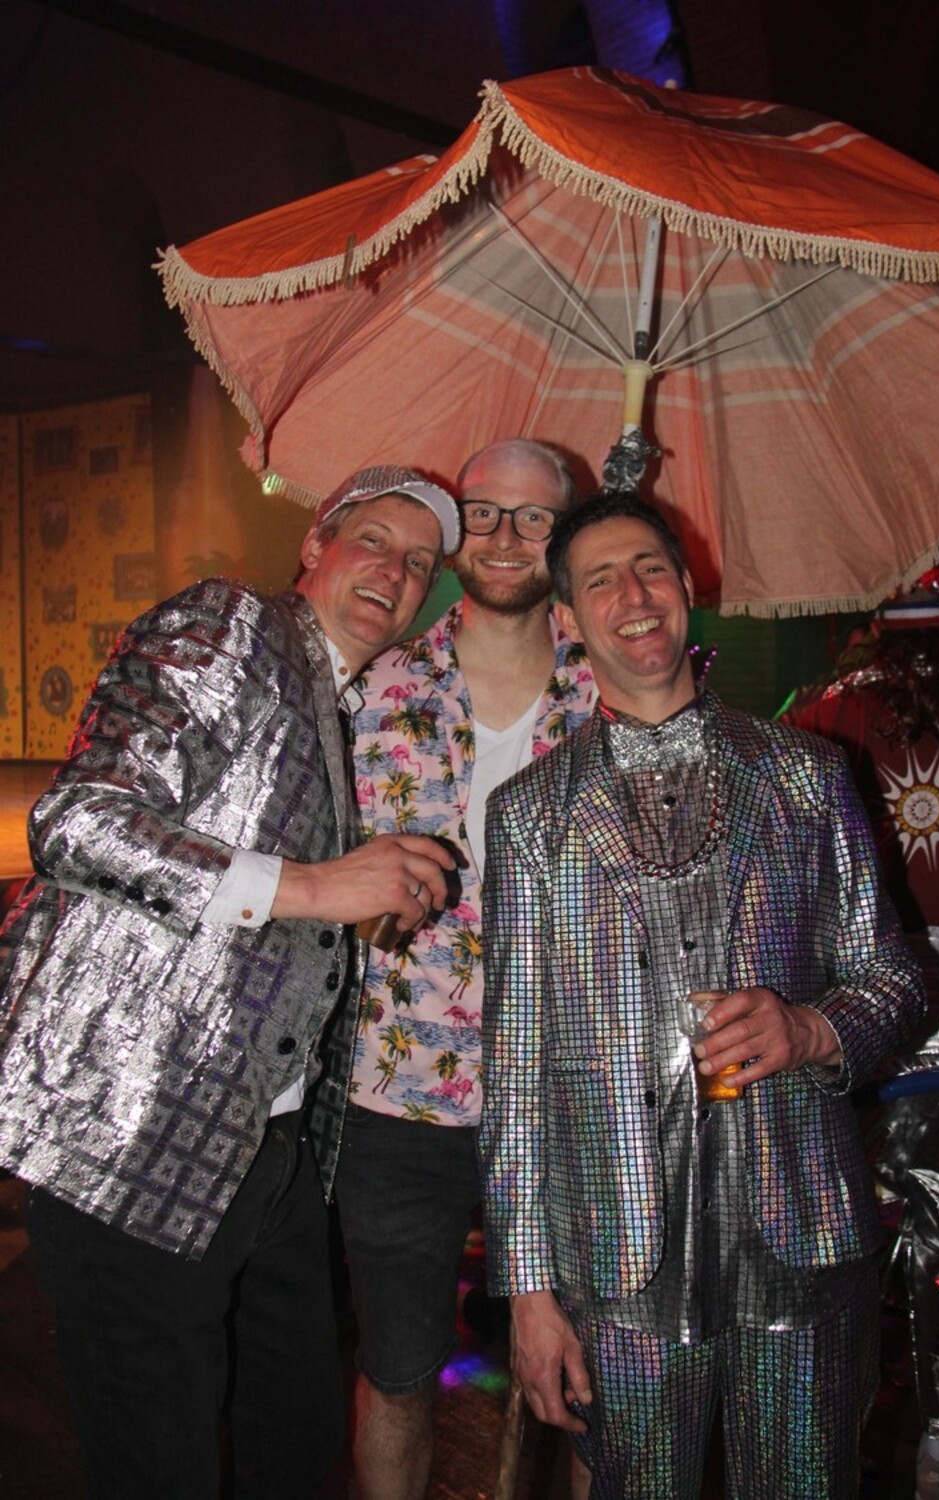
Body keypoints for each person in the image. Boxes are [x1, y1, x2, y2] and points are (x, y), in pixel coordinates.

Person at [0, 465, 461, 1500]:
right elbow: (78, 823)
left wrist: (345, 907)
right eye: (373, 540)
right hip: (133, 1131)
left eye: (419, 562)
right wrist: (315, 887)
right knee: (159, 1460)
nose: (396, 571)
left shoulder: (338, 703)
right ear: (315, 547)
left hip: (268, 1146)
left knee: (294, 1441)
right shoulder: (232, 625)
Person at [478, 490, 925, 1500]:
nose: (632, 596)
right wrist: (529, 1294)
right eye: (600, 581)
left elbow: (897, 980)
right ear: (568, 620)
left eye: (649, 568)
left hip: (801, 1236)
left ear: (687, 585)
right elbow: (514, 1070)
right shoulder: (529, 817)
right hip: (618, 1257)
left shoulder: (808, 776)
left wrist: (812, 1027)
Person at [337, 438, 595, 1500]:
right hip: (398, 1090)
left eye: (534, 517)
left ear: (565, 536)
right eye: (483, 512)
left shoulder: (618, 689)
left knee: (588, 1380)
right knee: (399, 1369)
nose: (503, 537)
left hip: (573, 1088)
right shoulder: (376, 683)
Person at [789, 567, 939, 1500]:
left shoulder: (819, 718)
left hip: (854, 1033)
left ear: (878, 628)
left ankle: (820, 1418)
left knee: (837, 1236)